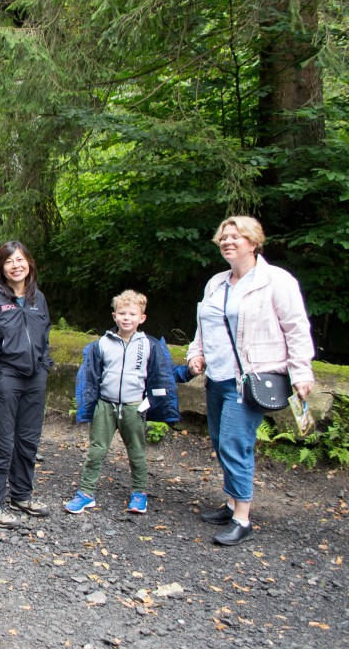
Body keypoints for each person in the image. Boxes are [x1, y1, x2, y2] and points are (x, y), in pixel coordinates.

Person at [187, 216, 314, 546]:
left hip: (251, 378)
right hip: (217, 376)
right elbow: (205, 326)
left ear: (253, 243)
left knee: (234, 443)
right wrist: (195, 354)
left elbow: (296, 328)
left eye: (236, 237)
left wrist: (301, 372)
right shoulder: (216, 282)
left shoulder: (275, 280)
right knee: (218, 441)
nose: (228, 242)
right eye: (223, 238)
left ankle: (242, 518)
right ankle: (231, 503)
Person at [68, 290, 184, 515]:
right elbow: (91, 376)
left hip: (134, 406)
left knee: (137, 451)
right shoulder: (101, 344)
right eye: (122, 313)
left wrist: (188, 372)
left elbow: (165, 373)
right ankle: (86, 493)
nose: (126, 318)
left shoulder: (150, 345)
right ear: (114, 316)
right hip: (105, 405)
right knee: (96, 450)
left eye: (132, 313)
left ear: (142, 318)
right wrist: (89, 405)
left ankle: (139, 493)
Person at [0, 241, 53, 529]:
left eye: (21, 260)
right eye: (10, 261)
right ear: (0, 267)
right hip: (5, 380)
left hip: (34, 380)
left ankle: (21, 495)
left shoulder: (37, 298)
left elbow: (44, 336)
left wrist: (44, 366)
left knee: (28, 441)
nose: (16, 266)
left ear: (29, 263)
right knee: (4, 444)